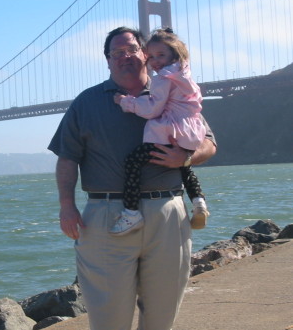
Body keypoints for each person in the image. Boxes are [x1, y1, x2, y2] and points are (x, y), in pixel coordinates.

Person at [48, 26, 216, 330]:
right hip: (107, 216)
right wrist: (67, 206)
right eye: (117, 53)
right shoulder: (87, 103)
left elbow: (208, 142)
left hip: (167, 213)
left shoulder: (174, 87)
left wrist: (186, 158)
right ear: (108, 61)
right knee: (108, 320)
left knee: (161, 318)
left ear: (146, 55)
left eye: (131, 50)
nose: (125, 57)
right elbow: (67, 158)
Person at [110, 27, 209, 236]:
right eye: (151, 56)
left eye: (161, 55)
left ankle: (131, 212)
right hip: (190, 132)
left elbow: (152, 109)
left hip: (169, 129)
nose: (155, 61)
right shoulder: (184, 73)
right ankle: (198, 201)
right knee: (183, 166)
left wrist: (125, 102)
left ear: (174, 53)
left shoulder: (163, 78)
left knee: (133, 161)